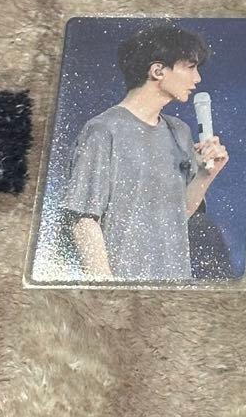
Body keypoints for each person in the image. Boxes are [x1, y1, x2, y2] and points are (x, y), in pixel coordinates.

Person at [62, 22, 229, 281]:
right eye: (190, 67)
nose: (197, 79)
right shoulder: (103, 130)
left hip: (173, 286)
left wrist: (206, 175)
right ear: (157, 71)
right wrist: (107, 291)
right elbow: (83, 220)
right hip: (123, 288)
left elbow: (179, 214)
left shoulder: (180, 131)